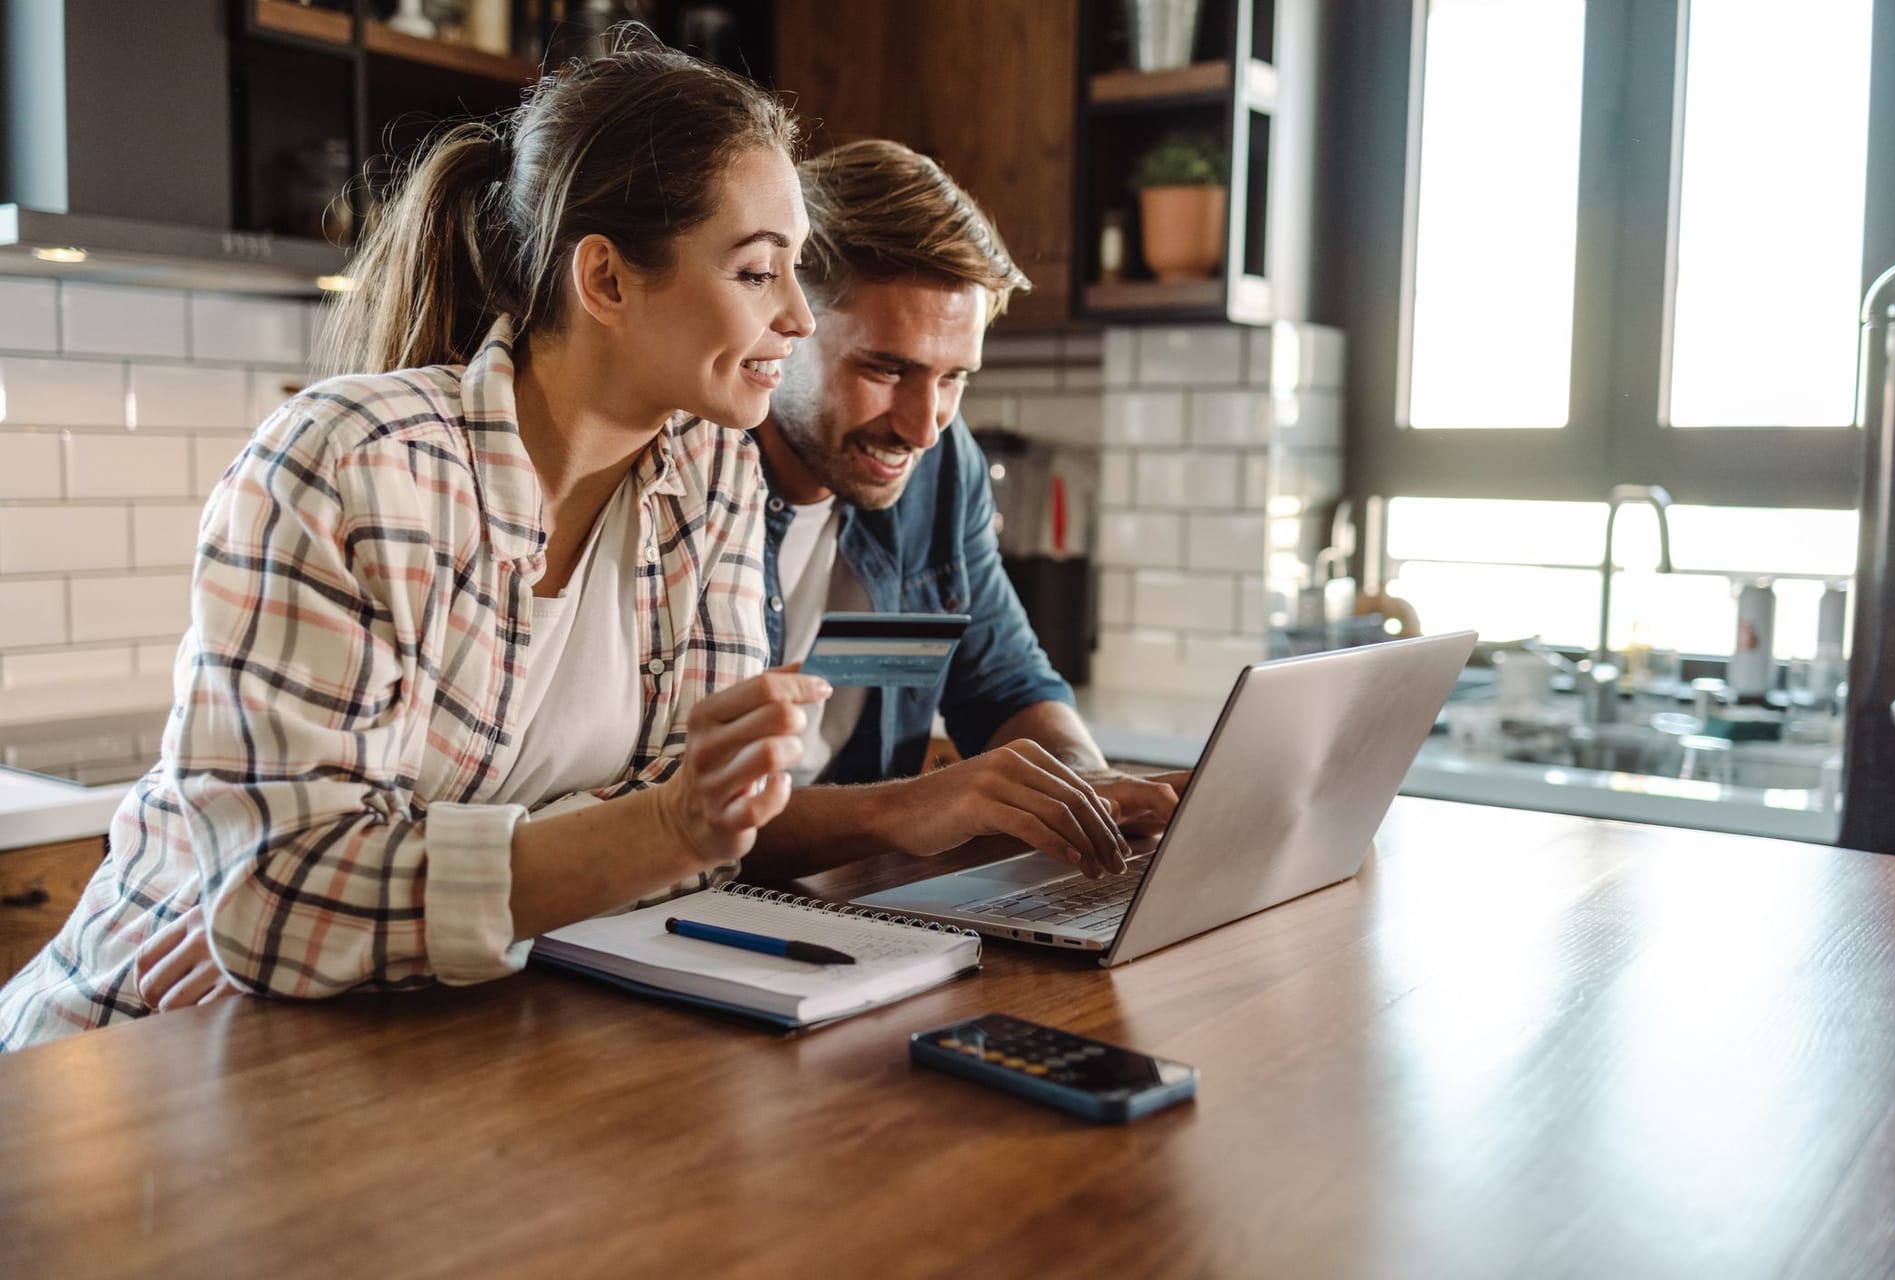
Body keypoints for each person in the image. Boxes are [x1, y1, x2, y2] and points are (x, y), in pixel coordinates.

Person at [0, 33, 826, 1051]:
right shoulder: (352, 462)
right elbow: (278, 900)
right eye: (758, 271)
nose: (799, 316)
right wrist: (641, 829)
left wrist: (390, 877)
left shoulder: (712, 473)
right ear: (606, 281)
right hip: (140, 1046)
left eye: (798, 272)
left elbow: (699, 827)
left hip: (412, 1039)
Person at [740, 140, 1187, 885]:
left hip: (846, 911)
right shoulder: (690, 484)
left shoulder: (942, 468)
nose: (922, 427)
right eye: (887, 369)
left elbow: (1006, 687)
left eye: (954, 378)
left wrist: (1082, 785)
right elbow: (673, 810)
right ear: (783, 324)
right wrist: (907, 811)